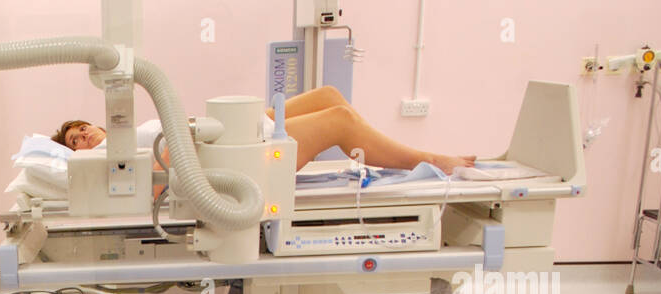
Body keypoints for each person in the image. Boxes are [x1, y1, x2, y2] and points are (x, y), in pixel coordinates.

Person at [51, 86, 475, 174]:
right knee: (340, 123)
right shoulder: (110, 158)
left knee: (330, 95)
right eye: (75, 141)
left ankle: (390, 152)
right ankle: (429, 160)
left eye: (83, 128)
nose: (84, 136)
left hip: (236, 127)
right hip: (242, 150)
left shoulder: (128, 133)